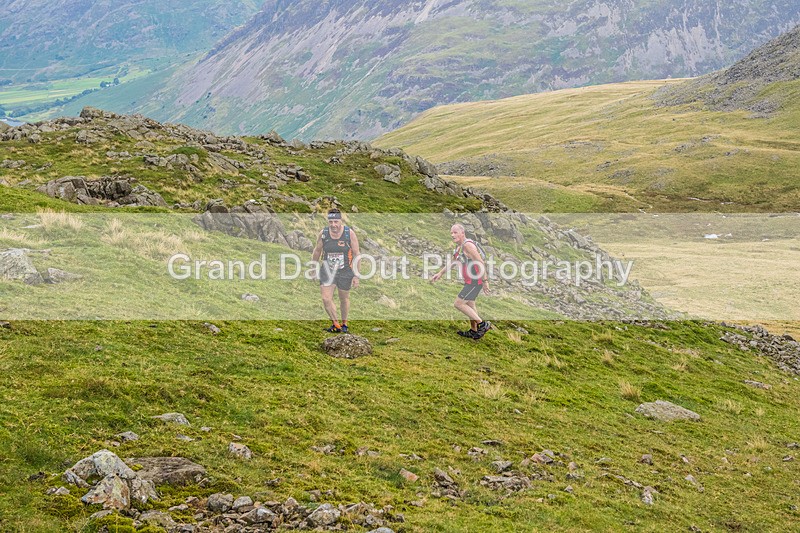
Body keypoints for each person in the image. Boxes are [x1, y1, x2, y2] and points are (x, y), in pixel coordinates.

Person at [430, 223, 491, 339]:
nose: (452, 235)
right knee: (470, 304)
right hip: (470, 281)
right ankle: (473, 331)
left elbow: (480, 262)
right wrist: (440, 273)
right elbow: (453, 262)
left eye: (455, 232)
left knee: (458, 303)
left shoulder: (468, 245)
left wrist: (485, 281)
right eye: (451, 233)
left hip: (475, 281)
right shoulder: (459, 247)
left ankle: (482, 324)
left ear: (463, 233)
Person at [311, 208, 360, 333]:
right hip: (327, 270)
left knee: (344, 298)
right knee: (326, 298)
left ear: (341, 221)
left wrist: (356, 275)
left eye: (336, 222)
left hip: (345, 270)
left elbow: (356, 254)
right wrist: (313, 268)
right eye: (331, 222)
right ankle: (336, 324)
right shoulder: (324, 234)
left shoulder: (349, 234)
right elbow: (317, 251)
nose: (333, 225)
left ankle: (344, 324)